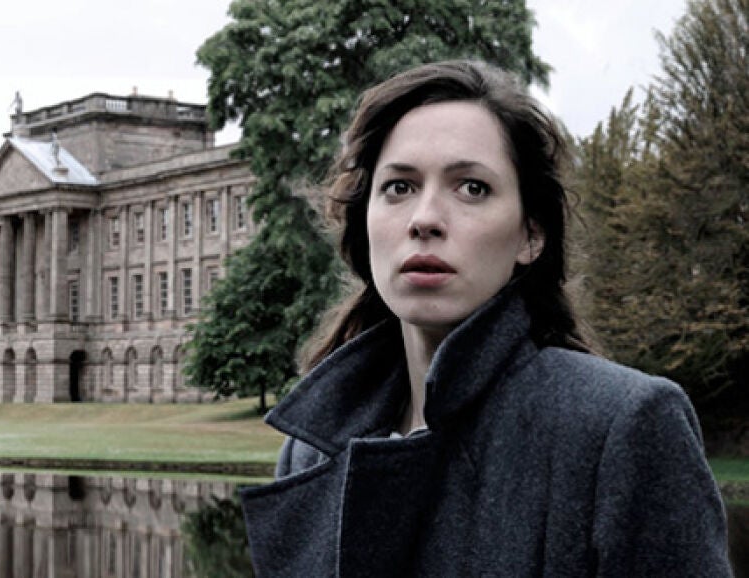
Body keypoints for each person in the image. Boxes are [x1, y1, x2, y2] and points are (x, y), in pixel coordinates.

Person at [240, 60, 732, 577]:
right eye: (399, 187)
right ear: (365, 223)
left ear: (530, 235)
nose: (425, 219)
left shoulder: (621, 426)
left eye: (472, 187)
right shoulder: (313, 448)